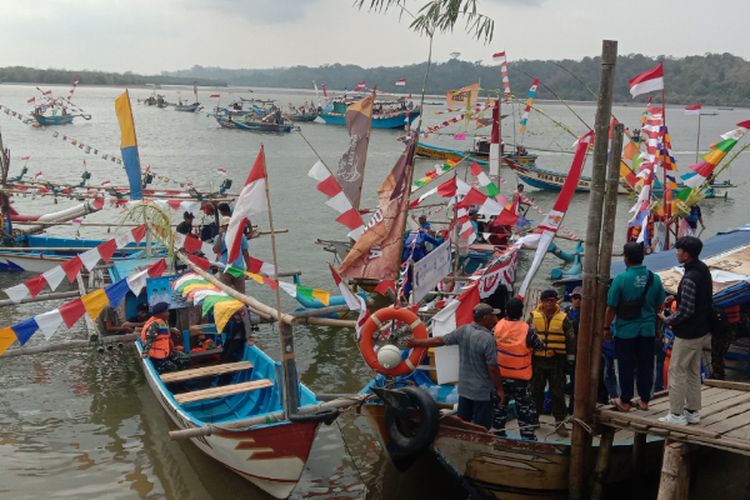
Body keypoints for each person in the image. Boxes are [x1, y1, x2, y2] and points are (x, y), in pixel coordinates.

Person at [407, 303, 506, 430]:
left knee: (462, 423)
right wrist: (500, 389)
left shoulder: (463, 330)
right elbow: (492, 368)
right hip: (482, 393)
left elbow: (439, 341)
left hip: (464, 389)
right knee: (481, 427)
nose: (496, 318)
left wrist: (417, 342)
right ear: (486, 318)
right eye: (493, 315)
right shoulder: (487, 339)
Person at [604, 242, 666, 412]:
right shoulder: (654, 278)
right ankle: (645, 401)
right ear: (642, 257)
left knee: (625, 366)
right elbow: (659, 304)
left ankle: (625, 401)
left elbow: (611, 308)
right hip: (647, 329)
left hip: (625, 331)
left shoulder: (620, 279)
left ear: (626, 258)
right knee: (646, 364)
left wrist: (606, 329)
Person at [658, 236, 713, 425]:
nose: (676, 253)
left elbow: (686, 310)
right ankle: (692, 411)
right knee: (692, 371)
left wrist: (667, 319)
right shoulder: (703, 269)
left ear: (686, 254)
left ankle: (676, 414)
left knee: (677, 370)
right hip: (701, 330)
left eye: (679, 250)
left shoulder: (690, 278)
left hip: (688, 333)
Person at [493, 298, 545, 440]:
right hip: (520, 378)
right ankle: (527, 438)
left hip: (500, 376)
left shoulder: (497, 326)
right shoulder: (527, 330)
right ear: (522, 312)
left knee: (499, 407)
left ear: (506, 311)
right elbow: (540, 346)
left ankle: (498, 434)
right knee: (525, 409)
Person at [529, 289, 575, 436]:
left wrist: (570, 359)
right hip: (537, 360)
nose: (550, 302)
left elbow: (570, 339)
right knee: (535, 391)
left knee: (558, 392)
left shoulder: (564, 318)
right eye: (547, 300)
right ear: (542, 302)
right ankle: (534, 419)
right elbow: (525, 337)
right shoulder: (532, 318)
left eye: (553, 300)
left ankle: (560, 422)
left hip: (557, 360)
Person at [140, 302, 188, 374]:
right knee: (173, 367)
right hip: (157, 357)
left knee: (185, 358)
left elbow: (164, 329)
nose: (168, 313)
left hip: (166, 352)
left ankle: (183, 377)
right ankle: (176, 383)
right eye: (166, 312)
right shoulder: (154, 325)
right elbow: (149, 341)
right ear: (159, 314)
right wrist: (144, 354)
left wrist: (172, 330)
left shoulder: (162, 321)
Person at [213, 215, 252, 293]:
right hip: (225, 269)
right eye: (225, 226)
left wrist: (249, 267)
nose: (227, 227)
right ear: (222, 227)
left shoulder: (241, 236)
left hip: (238, 269)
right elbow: (216, 250)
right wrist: (220, 236)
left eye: (228, 225)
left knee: (241, 294)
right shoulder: (218, 237)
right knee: (226, 294)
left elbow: (245, 252)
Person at [564, 287, 583, 414]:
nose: (577, 301)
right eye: (575, 298)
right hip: (564, 351)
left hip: (579, 352)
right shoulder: (565, 313)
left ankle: (573, 408)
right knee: (561, 380)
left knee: (577, 381)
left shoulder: (586, 315)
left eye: (580, 298)